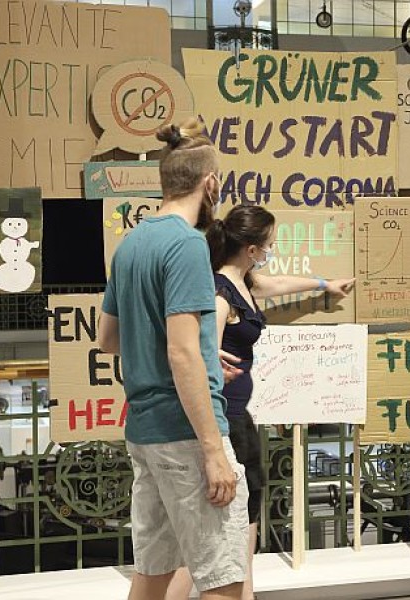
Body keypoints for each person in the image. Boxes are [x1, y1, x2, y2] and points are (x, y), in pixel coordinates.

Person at [166, 205, 355, 600]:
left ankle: (244, 593)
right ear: (251, 249)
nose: (272, 249)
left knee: (245, 516)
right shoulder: (221, 294)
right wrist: (212, 363)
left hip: (239, 418)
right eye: (269, 243)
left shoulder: (244, 283)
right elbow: (198, 351)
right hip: (224, 419)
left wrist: (325, 284)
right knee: (218, 528)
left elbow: (279, 283)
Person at [98, 118, 249, 600]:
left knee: (152, 576)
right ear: (211, 183)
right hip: (186, 435)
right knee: (223, 580)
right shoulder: (187, 246)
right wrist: (213, 451)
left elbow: (109, 338)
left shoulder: (131, 244)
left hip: (145, 432)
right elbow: (181, 352)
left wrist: (200, 351)